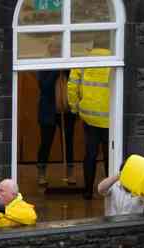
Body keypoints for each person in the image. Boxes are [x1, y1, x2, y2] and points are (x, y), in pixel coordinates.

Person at [68, 46, 112, 199]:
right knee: (109, 155)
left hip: (89, 117)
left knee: (90, 154)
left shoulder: (83, 58)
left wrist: (74, 108)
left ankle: (87, 192)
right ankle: (110, 191)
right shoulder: (114, 55)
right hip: (109, 117)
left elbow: (72, 86)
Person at [36, 69, 76, 185]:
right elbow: (44, 87)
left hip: (67, 110)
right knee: (46, 142)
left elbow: (74, 83)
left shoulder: (69, 68)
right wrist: (56, 71)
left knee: (68, 142)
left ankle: (70, 172)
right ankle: (41, 172)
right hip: (48, 111)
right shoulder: (44, 66)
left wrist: (66, 71)